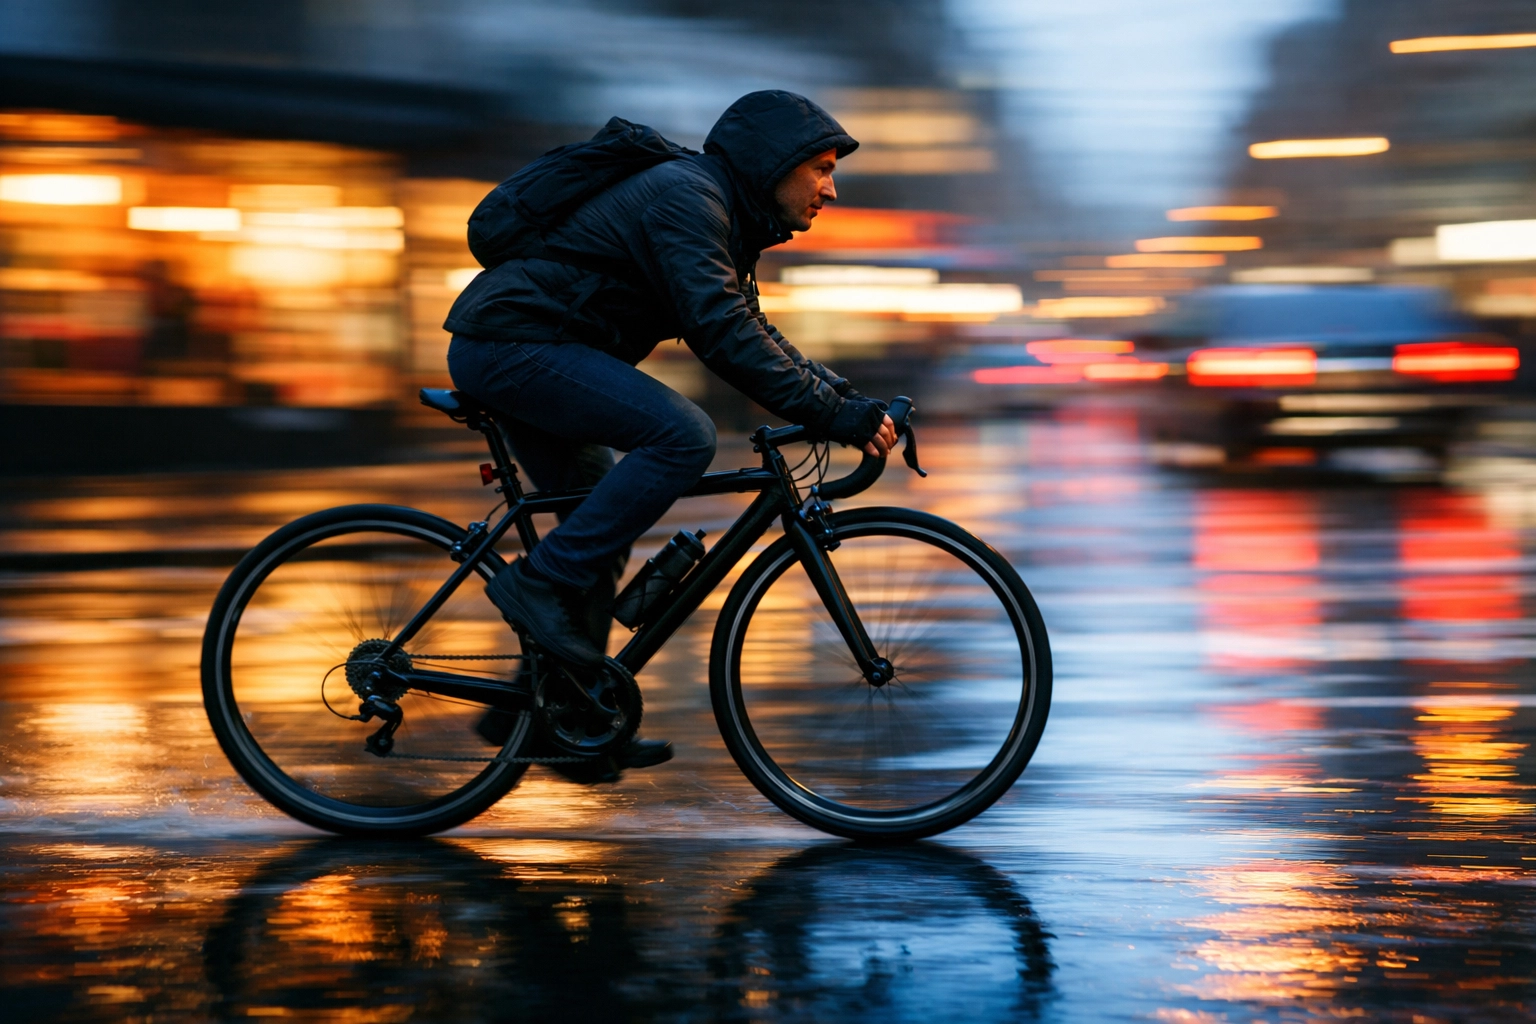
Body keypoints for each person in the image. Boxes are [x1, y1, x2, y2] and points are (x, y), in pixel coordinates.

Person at [445, 90, 897, 774]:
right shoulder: (688, 199)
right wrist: (833, 417)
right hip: (511, 345)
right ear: (774, 162)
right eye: (823, 169)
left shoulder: (722, 214)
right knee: (682, 436)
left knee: (597, 521)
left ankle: (551, 715)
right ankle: (537, 587)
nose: (831, 189)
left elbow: (755, 330)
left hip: (538, 347)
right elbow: (722, 334)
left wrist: (847, 400)